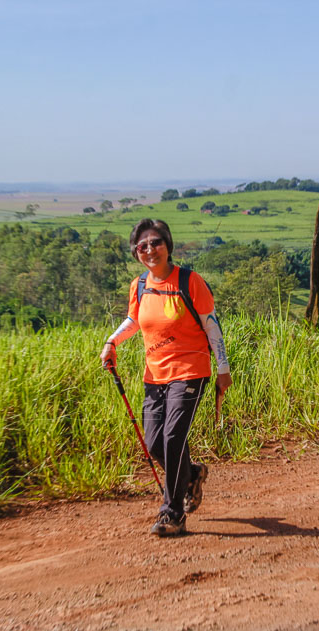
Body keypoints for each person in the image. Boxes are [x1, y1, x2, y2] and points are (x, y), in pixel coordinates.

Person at [100, 218, 232, 537]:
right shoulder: (140, 285)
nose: (149, 250)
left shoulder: (189, 281)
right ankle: (192, 475)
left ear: (168, 246)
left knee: (173, 438)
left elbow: (211, 325)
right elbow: (134, 319)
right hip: (154, 374)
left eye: (155, 242)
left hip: (191, 370)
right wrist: (111, 342)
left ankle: (172, 513)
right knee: (154, 442)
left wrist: (223, 369)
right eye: (142, 246)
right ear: (136, 253)